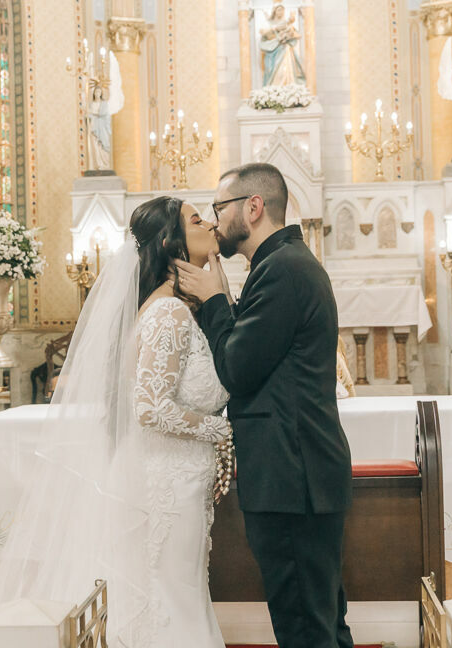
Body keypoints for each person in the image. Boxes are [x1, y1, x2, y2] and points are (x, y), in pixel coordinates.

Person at [0, 196, 233, 648]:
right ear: (170, 241)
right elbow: (151, 407)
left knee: (178, 595)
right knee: (171, 602)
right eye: (197, 219)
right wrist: (223, 431)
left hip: (180, 478)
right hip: (166, 485)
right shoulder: (168, 312)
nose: (210, 224)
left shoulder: (181, 306)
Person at [176, 162, 355, 648]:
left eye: (219, 208)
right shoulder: (281, 264)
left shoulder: (283, 270)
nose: (214, 221)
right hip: (297, 473)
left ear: (253, 208)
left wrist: (214, 300)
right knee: (319, 623)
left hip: (292, 477)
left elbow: (237, 369)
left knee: (305, 630)